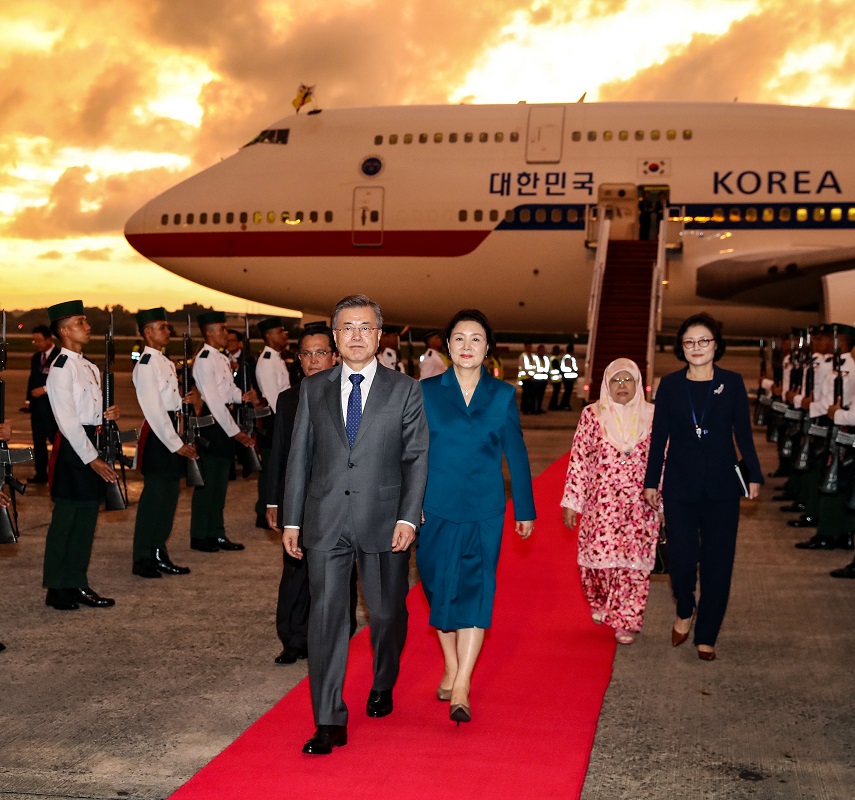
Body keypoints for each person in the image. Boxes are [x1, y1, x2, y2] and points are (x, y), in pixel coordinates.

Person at [281, 294, 429, 755]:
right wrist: (290, 519)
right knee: (327, 618)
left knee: (387, 613)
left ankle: (384, 679)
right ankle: (329, 719)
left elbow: (416, 456)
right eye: (347, 328)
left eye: (366, 328)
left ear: (379, 335)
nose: (357, 336)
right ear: (336, 336)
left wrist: (408, 515)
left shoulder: (404, 389)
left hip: (385, 522)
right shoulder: (313, 388)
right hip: (325, 520)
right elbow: (299, 456)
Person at [417, 309, 535, 724]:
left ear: (488, 348)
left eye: (476, 339)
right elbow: (412, 453)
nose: (467, 346)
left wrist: (525, 507)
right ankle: (450, 664)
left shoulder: (502, 395)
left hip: (485, 509)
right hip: (434, 508)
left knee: (476, 592)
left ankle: (463, 683)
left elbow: (515, 452)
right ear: (448, 346)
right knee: (436, 589)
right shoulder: (426, 391)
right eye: (460, 339)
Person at [643, 312, 763, 661]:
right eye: (689, 342)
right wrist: (652, 481)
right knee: (681, 560)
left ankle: (707, 634)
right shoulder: (670, 385)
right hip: (679, 486)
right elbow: (658, 439)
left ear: (716, 345)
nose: (696, 348)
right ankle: (685, 605)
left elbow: (743, 433)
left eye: (703, 341)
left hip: (722, 488)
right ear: (682, 348)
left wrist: (753, 473)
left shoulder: (733, 382)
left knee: (718, 563)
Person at [561, 358, 658, 644]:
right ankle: (602, 601)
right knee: (598, 563)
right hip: (601, 505)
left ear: (638, 384)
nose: (622, 386)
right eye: (615, 380)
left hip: (641, 505)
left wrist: (664, 500)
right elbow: (579, 458)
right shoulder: (593, 415)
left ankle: (626, 619)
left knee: (633, 563)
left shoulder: (653, 416)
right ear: (606, 385)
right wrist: (572, 501)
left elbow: (664, 459)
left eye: (627, 379)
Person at [43, 300, 120, 611]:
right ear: (64, 330)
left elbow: (87, 412)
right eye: (81, 322)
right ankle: (58, 587)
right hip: (75, 448)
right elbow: (68, 420)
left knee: (87, 518)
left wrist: (105, 414)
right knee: (66, 519)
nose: (88, 327)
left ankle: (76, 582)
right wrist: (92, 459)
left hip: (91, 441)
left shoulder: (88, 366)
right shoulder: (61, 368)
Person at [130, 308, 198, 579]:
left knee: (168, 500)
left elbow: (167, 402)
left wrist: (184, 400)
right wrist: (175, 443)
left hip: (171, 429)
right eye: (162, 327)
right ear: (148, 332)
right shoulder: (146, 364)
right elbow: (153, 409)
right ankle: (143, 557)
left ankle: (159, 552)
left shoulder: (164, 362)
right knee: (154, 501)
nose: (168, 332)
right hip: (160, 436)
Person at [189, 311, 257, 552]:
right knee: (208, 483)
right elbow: (214, 400)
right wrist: (235, 432)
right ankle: (200, 534)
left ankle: (216, 532)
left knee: (220, 484)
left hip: (224, 420)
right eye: (222, 330)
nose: (226, 334)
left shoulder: (220, 357)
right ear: (209, 332)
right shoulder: (205, 359)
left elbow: (227, 391)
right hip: (214, 423)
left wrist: (242, 396)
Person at [253, 316, 291, 528]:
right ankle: (263, 511)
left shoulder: (276, 358)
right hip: (274, 421)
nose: (284, 335)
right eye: (280, 331)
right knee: (270, 468)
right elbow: (273, 396)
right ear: (268, 336)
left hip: (278, 419)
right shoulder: (267, 360)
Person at [25, 324, 59, 484]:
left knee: (56, 441)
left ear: (48, 339)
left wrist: (45, 389)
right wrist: (28, 401)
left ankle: (59, 472)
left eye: (39, 340)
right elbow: (32, 380)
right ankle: (40, 473)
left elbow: (61, 382)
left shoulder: (59, 357)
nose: (37, 344)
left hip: (53, 409)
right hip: (37, 408)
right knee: (38, 443)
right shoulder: (36, 357)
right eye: (34, 341)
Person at [558, 342, 579, 410]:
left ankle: (565, 404)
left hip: (568, 377)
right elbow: (570, 367)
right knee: (568, 391)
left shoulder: (568, 357)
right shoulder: (568, 358)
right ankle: (564, 404)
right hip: (568, 377)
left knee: (568, 392)